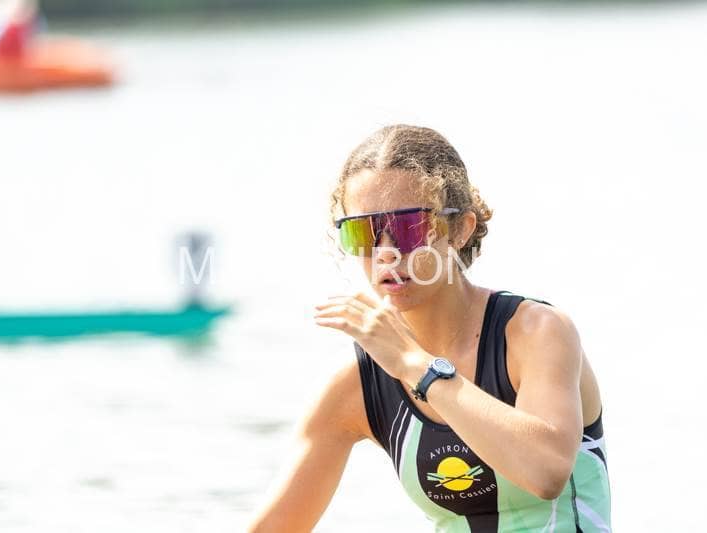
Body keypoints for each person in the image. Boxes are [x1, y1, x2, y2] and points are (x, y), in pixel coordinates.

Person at [247, 124, 611, 532]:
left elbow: (546, 473)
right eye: (363, 232)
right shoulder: (356, 384)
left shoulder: (537, 332)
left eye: (408, 228)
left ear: (461, 229)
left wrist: (416, 365)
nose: (386, 253)